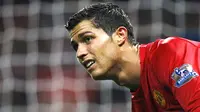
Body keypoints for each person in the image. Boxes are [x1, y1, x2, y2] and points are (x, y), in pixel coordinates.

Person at [65, 2, 200, 112]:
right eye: (76, 47)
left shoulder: (170, 53)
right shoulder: (141, 103)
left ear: (120, 35)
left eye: (88, 39)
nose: (79, 53)